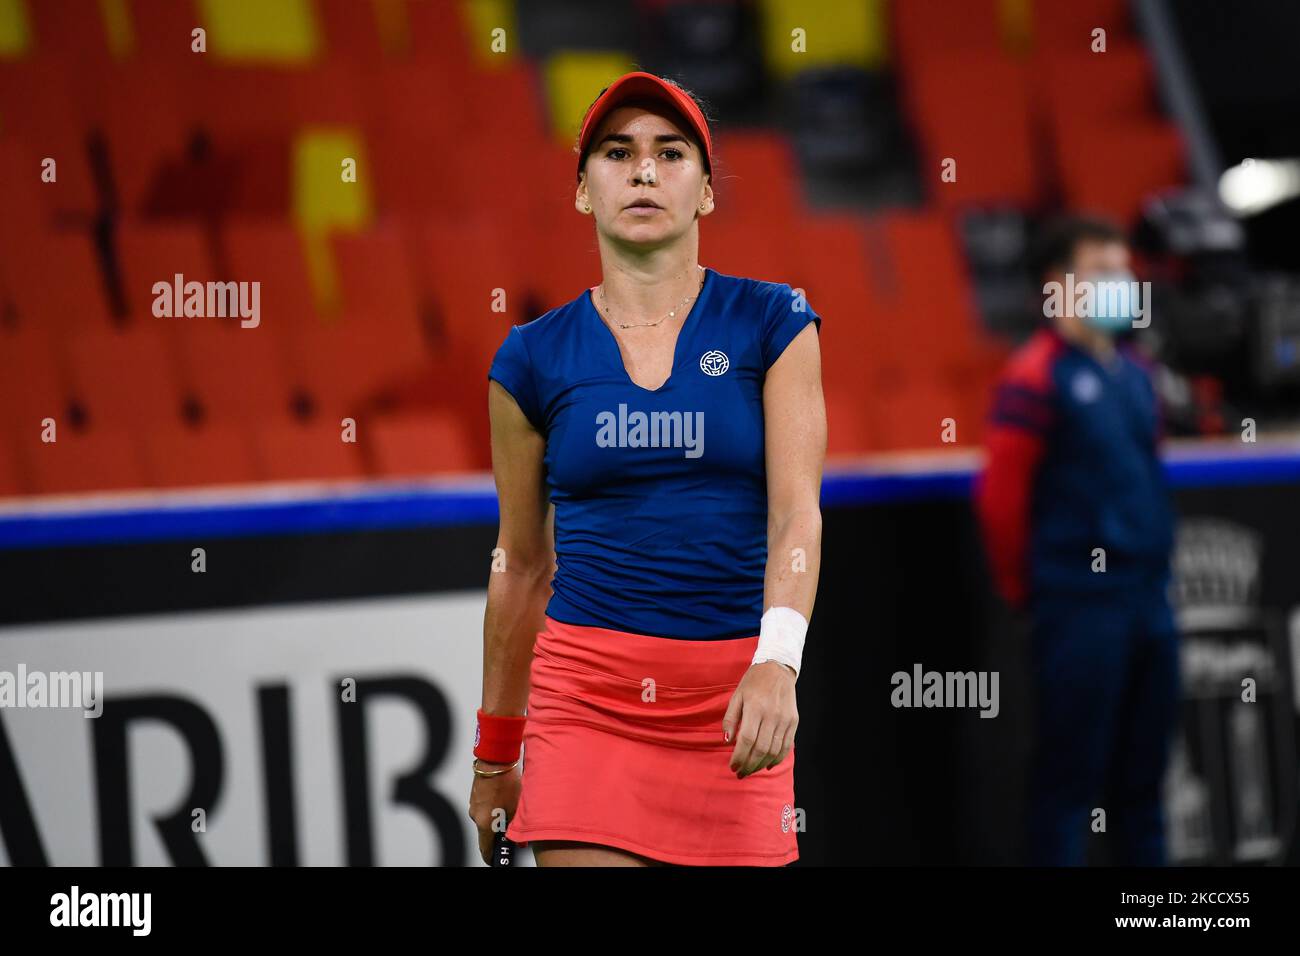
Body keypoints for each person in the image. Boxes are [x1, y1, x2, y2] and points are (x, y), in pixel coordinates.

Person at [466, 71, 825, 867]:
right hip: (586, 707)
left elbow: (796, 517)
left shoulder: (776, 321)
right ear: (583, 191)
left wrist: (778, 660)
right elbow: (521, 566)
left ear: (704, 192)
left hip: (736, 704)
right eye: (617, 152)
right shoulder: (530, 358)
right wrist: (496, 754)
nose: (644, 171)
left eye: (671, 153)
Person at [974, 215, 1181, 866]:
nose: (1118, 282)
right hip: (1079, 605)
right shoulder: (1033, 377)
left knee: (1144, 785)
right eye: (1100, 270)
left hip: (1149, 601)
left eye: (1122, 269)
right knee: (1068, 785)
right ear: (1056, 285)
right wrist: (1027, 591)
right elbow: (1000, 499)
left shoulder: (1137, 375)